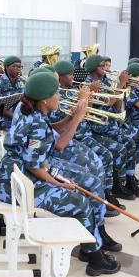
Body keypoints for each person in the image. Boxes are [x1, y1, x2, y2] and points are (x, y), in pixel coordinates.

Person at [0, 73, 121, 276]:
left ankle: (93, 241)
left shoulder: (33, 111)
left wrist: (73, 117)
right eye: (56, 93)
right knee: (80, 201)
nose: (60, 97)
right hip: (20, 185)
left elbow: (38, 153)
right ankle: (94, 256)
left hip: (26, 173)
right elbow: (33, 165)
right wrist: (59, 184)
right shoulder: (35, 123)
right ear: (44, 100)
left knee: (91, 185)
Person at [50, 60, 124, 213]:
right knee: (98, 160)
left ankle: (105, 194)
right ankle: (98, 199)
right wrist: (86, 99)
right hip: (73, 137)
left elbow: (85, 113)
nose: (72, 77)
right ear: (60, 78)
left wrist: (86, 99)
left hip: (83, 133)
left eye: (72, 73)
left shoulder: (74, 90)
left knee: (104, 157)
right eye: (69, 74)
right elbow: (68, 121)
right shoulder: (58, 96)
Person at [84, 55, 139, 200]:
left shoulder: (105, 81)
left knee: (130, 143)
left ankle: (128, 179)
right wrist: (120, 84)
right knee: (120, 149)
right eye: (101, 66)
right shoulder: (89, 84)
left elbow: (116, 104)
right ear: (92, 69)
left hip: (111, 123)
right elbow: (108, 102)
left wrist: (121, 91)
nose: (105, 68)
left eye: (105, 66)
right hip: (98, 127)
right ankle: (116, 185)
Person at [0, 56, 25, 131]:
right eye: (14, 66)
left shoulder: (23, 81)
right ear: (6, 67)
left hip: (21, 117)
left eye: (19, 66)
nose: (18, 69)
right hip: (4, 121)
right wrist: (16, 117)